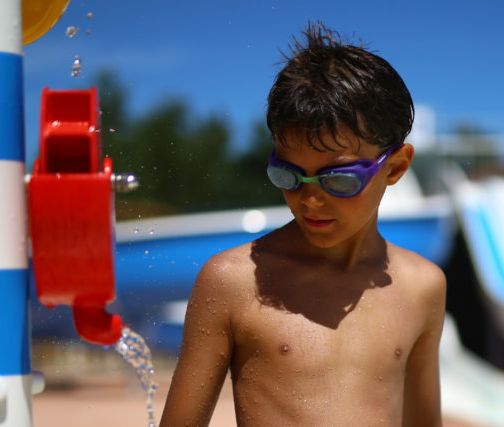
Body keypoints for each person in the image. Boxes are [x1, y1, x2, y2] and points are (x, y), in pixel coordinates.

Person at [160, 22, 446, 426]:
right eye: (288, 176)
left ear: (395, 166)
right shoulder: (232, 281)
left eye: (340, 180)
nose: (310, 200)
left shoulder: (423, 287)